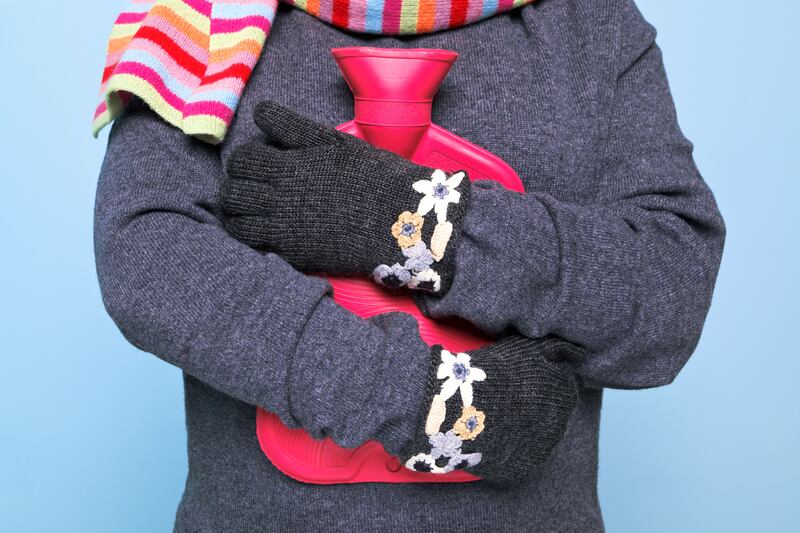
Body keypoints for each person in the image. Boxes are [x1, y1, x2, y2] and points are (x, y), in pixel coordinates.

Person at [94, 0, 725, 530]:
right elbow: (146, 251)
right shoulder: (202, 19)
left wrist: (411, 223)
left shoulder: (590, 25)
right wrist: (427, 404)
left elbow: (671, 288)